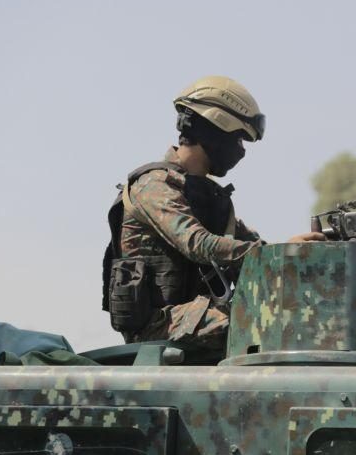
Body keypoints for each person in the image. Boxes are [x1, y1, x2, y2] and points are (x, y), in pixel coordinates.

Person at [102, 75, 323, 352]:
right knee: (269, 320)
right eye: (239, 139)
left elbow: (248, 247)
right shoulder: (154, 186)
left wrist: (291, 249)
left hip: (197, 315)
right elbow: (198, 243)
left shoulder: (208, 196)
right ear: (214, 131)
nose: (241, 151)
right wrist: (277, 254)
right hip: (159, 324)